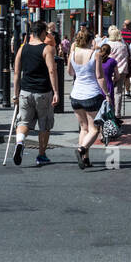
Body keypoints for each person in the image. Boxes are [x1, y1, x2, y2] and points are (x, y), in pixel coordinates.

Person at [11, 21, 59, 166]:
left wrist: (15, 94)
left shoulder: (22, 49)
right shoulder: (47, 49)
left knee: (23, 121)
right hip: (43, 91)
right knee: (44, 124)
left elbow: (17, 73)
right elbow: (52, 71)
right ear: (43, 32)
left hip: (25, 91)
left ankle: (20, 142)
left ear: (31, 33)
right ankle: (41, 154)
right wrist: (56, 91)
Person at [67, 28, 107, 169]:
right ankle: (81, 150)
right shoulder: (95, 54)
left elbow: (70, 72)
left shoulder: (73, 53)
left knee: (83, 129)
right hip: (91, 94)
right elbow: (100, 76)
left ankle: (86, 159)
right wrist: (107, 93)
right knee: (94, 129)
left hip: (75, 95)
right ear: (91, 40)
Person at [105, 25, 131, 112]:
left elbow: (107, 57)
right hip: (122, 70)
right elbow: (128, 57)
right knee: (118, 92)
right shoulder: (124, 45)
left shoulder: (109, 45)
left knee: (108, 90)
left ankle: (109, 110)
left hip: (110, 70)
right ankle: (117, 112)